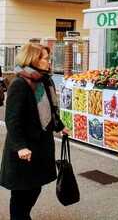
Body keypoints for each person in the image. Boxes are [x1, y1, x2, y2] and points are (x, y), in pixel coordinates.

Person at [0, 43, 69, 220]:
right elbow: (13, 120)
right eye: (44, 58)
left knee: (34, 188)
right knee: (22, 193)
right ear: (32, 59)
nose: (49, 61)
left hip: (41, 147)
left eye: (48, 57)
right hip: (24, 150)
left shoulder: (45, 80)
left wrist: (59, 126)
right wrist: (20, 147)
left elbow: (50, 110)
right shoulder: (19, 84)